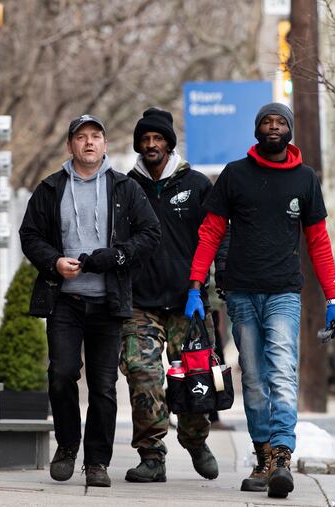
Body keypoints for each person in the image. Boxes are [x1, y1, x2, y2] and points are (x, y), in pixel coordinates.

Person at [184, 103, 335, 499]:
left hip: (284, 293)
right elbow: (210, 232)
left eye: (280, 122)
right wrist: (194, 285)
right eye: (266, 122)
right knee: (253, 379)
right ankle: (263, 457)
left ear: (289, 130)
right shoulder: (235, 175)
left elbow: (319, 242)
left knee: (282, 374)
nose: (273, 127)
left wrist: (334, 297)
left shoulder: (305, 180)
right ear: (257, 130)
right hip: (240, 292)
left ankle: (282, 459)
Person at [20, 114, 160, 488]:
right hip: (65, 301)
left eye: (95, 136)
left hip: (108, 303)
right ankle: (67, 446)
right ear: (70, 146)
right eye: (81, 137)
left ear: (104, 144)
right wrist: (53, 261)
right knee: (62, 375)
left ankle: (97, 461)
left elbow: (150, 233)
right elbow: (29, 235)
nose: (88, 143)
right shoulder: (50, 188)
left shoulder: (125, 189)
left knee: (103, 386)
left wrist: (116, 256)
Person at [119, 108, 219, 483]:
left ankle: (196, 441)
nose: (151, 145)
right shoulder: (126, 187)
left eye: (157, 138)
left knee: (195, 378)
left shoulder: (197, 185)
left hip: (187, 302)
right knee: (143, 376)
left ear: (169, 142)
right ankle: (152, 456)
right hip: (139, 304)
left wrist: (206, 287)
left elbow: (214, 238)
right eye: (145, 140)